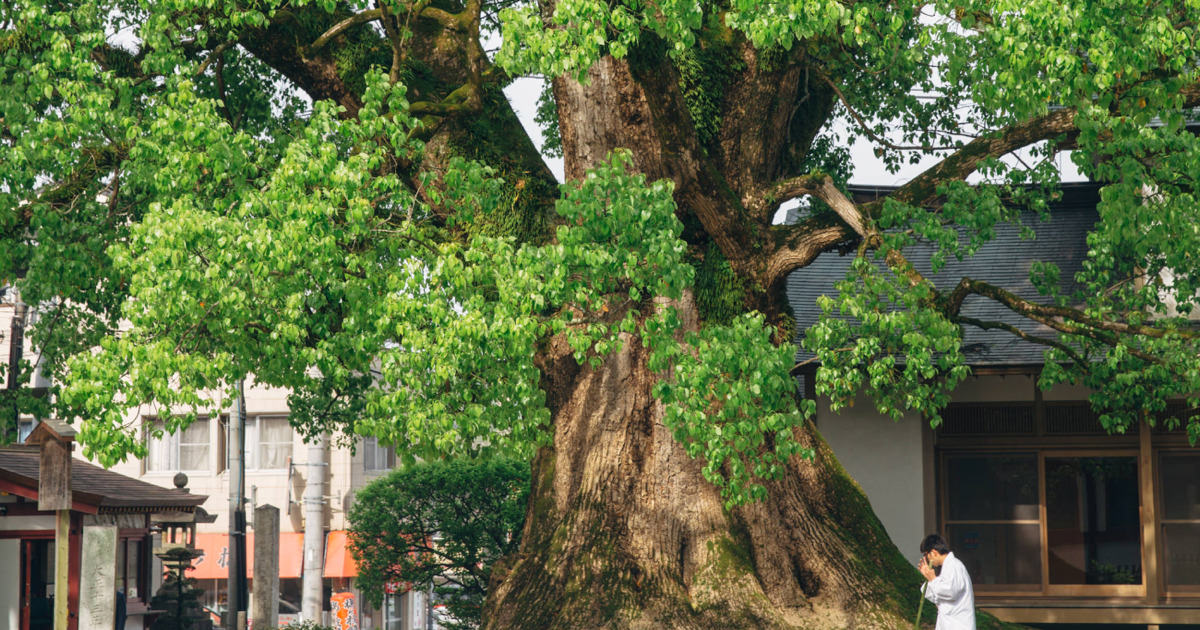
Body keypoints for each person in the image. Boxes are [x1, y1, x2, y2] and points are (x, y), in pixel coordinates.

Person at [918, 533, 975, 630]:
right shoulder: (947, 568)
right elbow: (935, 595)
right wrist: (930, 580)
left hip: (958, 625)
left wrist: (933, 579)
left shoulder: (954, 566)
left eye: (926, 555)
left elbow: (950, 592)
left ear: (933, 552)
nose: (926, 559)